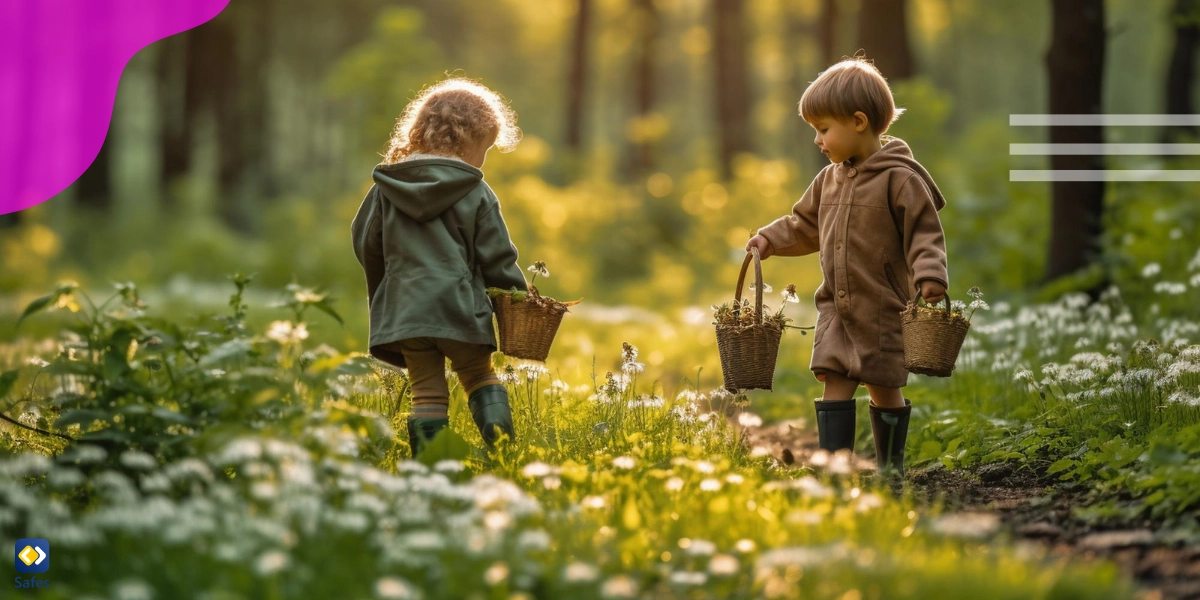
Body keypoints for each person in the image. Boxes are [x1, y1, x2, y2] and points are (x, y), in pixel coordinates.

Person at [746, 56, 949, 475]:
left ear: (858, 122)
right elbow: (805, 225)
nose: (818, 141)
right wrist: (769, 238)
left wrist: (930, 274)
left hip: (882, 307)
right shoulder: (828, 180)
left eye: (823, 129)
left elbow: (924, 234)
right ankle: (834, 467)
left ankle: (890, 468)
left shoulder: (901, 180)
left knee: (884, 386)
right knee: (834, 378)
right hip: (835, 307)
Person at [350, 77, 528, 456]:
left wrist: (389, 283)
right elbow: (497, 254)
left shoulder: (387, 186)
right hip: (460, 309)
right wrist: (517, 296)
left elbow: (365, 242)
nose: (483, 160)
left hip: (408, 308)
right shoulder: (476, 190)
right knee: (479, 376)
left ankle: (431, 470)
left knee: (427, 394)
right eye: (486, 149)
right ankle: (504, 449)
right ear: (468, 142)